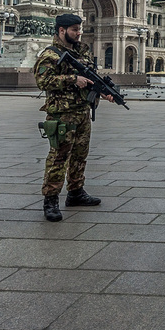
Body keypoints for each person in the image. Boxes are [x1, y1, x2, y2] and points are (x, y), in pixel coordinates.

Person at [34, 13, 112, 222]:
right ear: (62, 30)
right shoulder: (50, 54)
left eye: (79, 29)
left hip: (82, 112)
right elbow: (42, 81)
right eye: (75, 30)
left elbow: (90, 79)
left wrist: (102, 91)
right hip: (62, 114)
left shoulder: (82, 52)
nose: (79, 33)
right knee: (59, 157)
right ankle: (50, 200)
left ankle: (76, 192)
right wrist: (72, 79)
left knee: (80, 155)